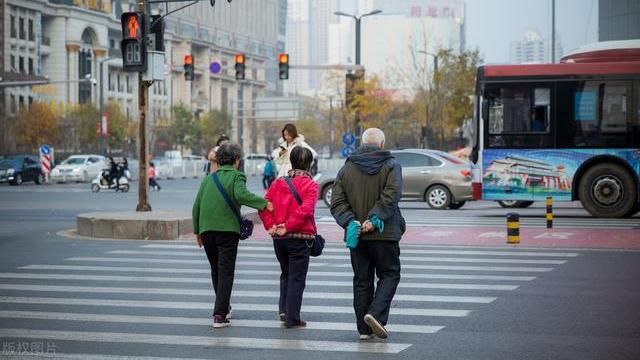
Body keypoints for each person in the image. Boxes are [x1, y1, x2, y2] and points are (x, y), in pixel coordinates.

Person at [330, 128, 405, 340]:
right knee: (390, 274)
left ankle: (364, 330)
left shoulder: (347, 168)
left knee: (362, 280)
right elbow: (391, 196)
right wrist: (374, 219)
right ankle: (374, 314)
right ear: (381, 144)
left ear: (361, 144)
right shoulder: (392, 165)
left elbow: (337, 202)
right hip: (384, 233)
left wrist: (350, 221)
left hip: (357, 235)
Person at [192, 142, 272, 329]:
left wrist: (197, 231)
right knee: (226, 271)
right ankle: (219, 315)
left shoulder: (207, 180)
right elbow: (241, 195)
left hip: (207, 230)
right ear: (236, 161)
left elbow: (196, 206)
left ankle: (224, 307)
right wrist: (264, 203)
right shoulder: (237, 176)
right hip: (227, 231)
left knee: (216, 270)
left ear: (218, 161)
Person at [259, 146, 318, 329]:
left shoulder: (278, 183)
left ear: (291, 161)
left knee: (286, 273)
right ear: (309, 164)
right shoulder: (311, 185)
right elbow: (305, 211)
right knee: (297, 278)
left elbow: (264, 207)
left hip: (279, 240)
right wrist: (288, 226)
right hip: (299, 238)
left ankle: (284, 310)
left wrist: (272, 226)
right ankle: (292, 318)